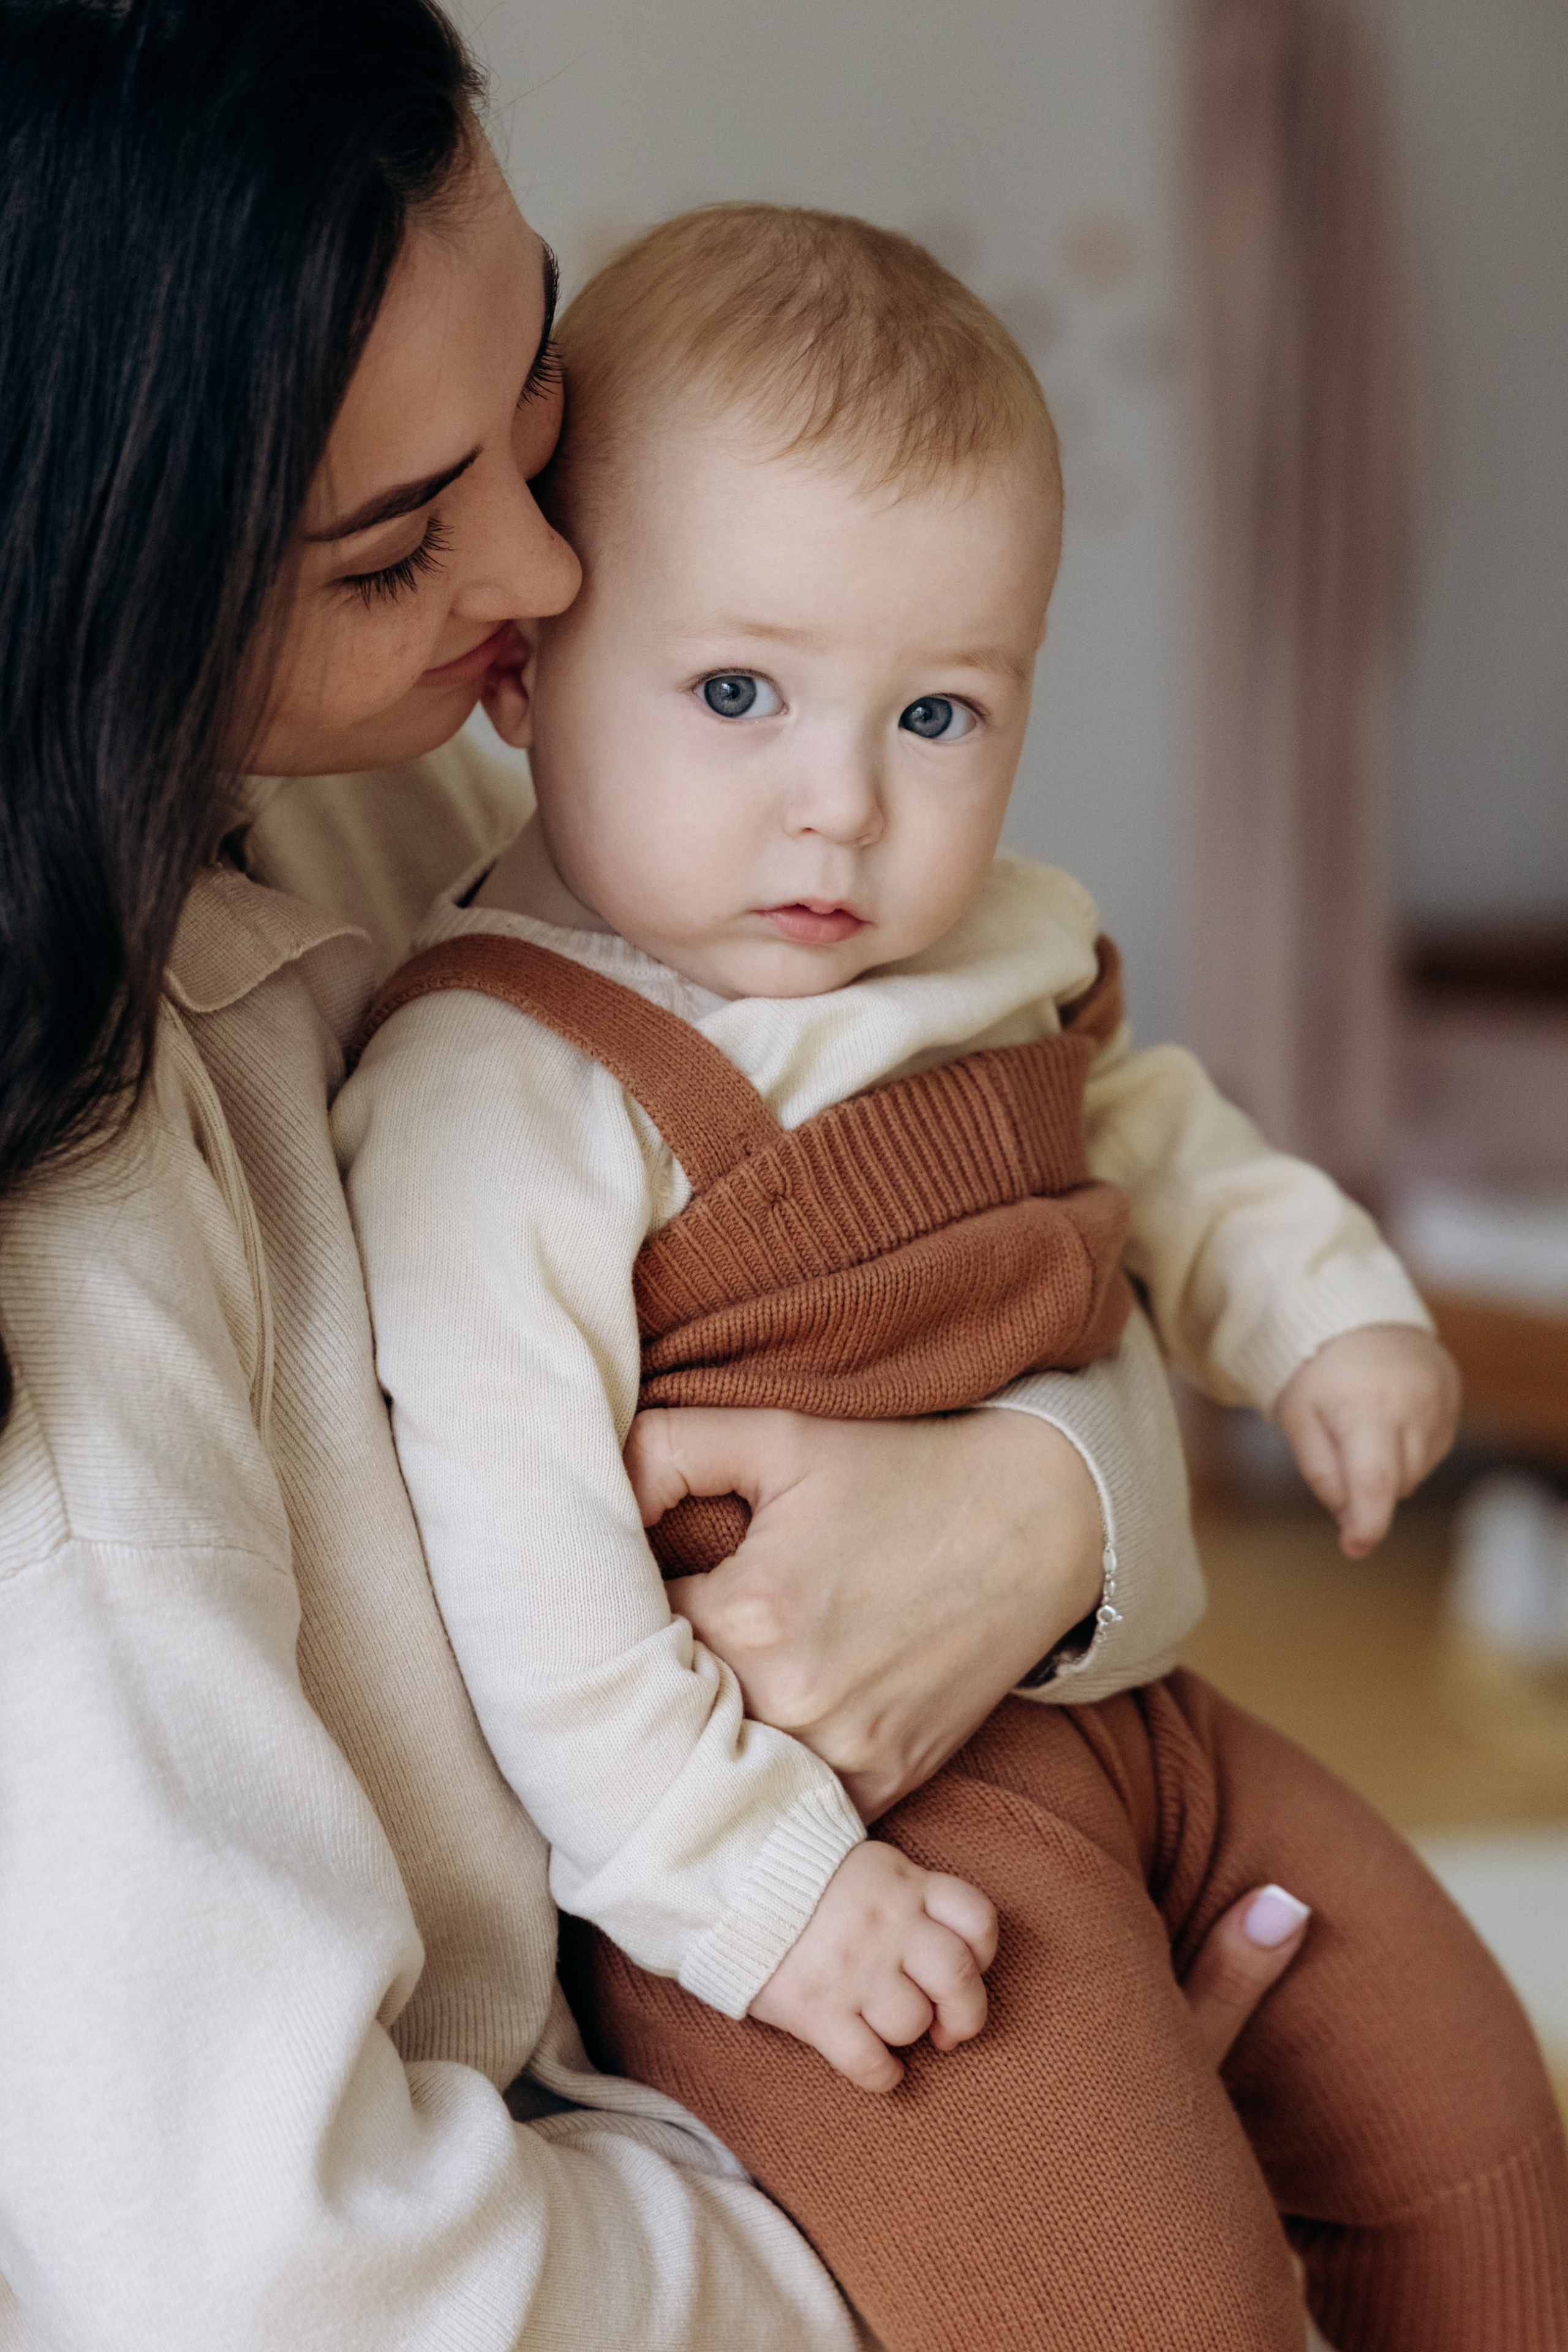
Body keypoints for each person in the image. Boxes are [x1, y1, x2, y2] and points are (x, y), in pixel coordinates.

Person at [0, 4, 1335, 2347]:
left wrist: (1055, 1499)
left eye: (530, 400)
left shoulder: (410, 772)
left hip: (889, 1903)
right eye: (402, 543)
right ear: (98, 589)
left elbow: (971, 1198)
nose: (547, 569)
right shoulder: (80, 1252)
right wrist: (949, 2263)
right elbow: (281, 2278)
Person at [334, 205, 1568, 2352]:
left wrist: (1324, 1305)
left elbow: (1149, 1127)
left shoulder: (985, 938)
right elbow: (517, 1566)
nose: (841, 811)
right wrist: (759, 1890)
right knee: (1143, 2297)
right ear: (525, 672)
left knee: (1464, 2105)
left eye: (939, 711)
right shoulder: (498, 1084)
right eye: (738, 692)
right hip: (847, 1850)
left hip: (1142, 1718)